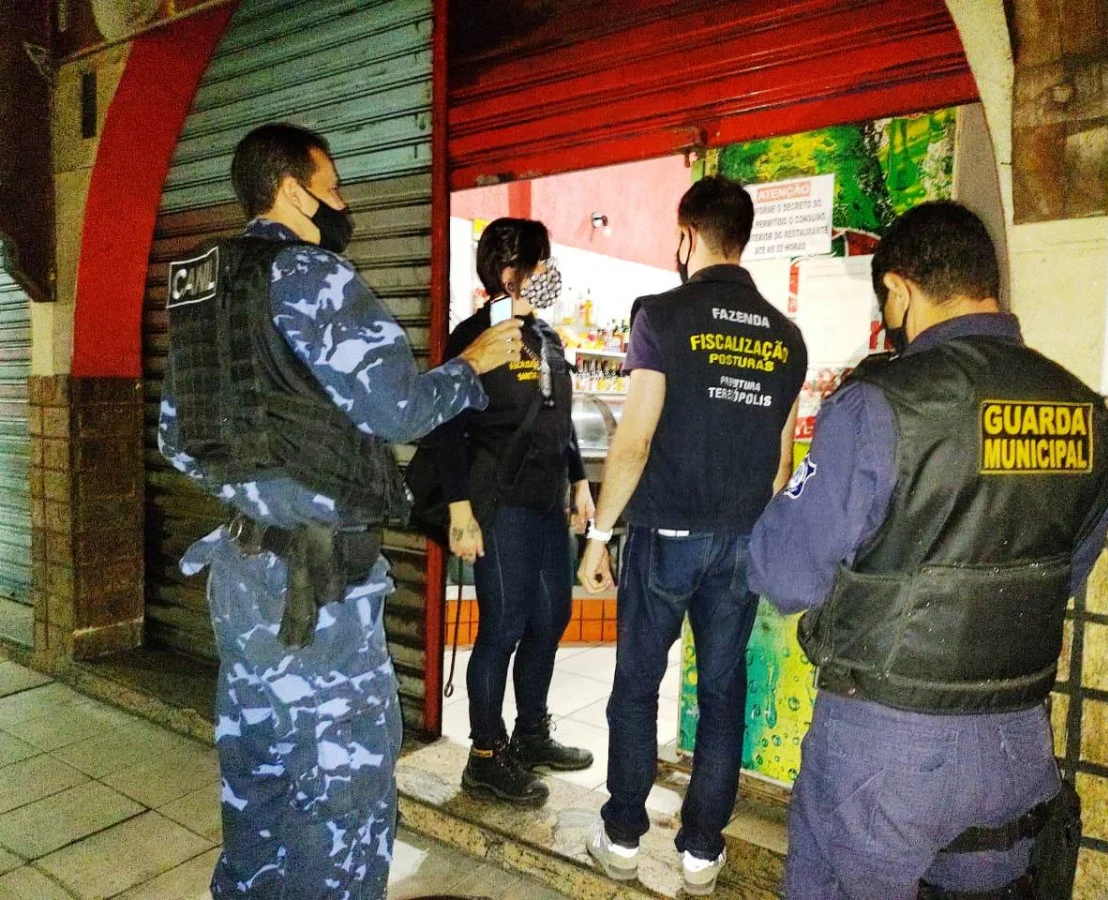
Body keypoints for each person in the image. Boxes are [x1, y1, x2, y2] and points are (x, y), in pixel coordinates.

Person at [158, 122, 520, 900]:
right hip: (320, 595)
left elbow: (177, 441)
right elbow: (398, 409)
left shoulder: (202, 285)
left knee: (257, 779)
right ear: (293, 191)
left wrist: (260, 490)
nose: (344, 203)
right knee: (341, 799)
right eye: (334, 187)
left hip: (240, 575)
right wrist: (472, 365)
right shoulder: (312, 275)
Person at [748, 201, 1108, 900]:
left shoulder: (878, 406)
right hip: (1018, 745)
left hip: (885, 745)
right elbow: (1066, 575)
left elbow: (784, 573)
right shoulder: (1090, 416)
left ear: (899, 290)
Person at [579, 175, 807, 895]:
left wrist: (599, 535)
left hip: (666, 535)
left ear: (687, 237)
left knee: (636, 686)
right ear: (741, 238)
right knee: (723, 693)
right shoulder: (787, 338)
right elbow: (779, 467)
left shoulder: (662, 314)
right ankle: (703, 852)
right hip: (739, 541)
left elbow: (633, 441)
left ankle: (622, 836)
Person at [425, 218, 595, 806]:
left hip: (548, 505)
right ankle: (486, 757)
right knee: (502, 628)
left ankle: (530, 734)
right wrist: (460, 510)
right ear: (508, 272)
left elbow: (557, 415)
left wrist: (579, 480)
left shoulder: (546, 336)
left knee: (551, 620)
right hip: (501, 508)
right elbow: (446, 426)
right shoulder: (474, 337)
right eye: (540, 261)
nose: (549, 272)